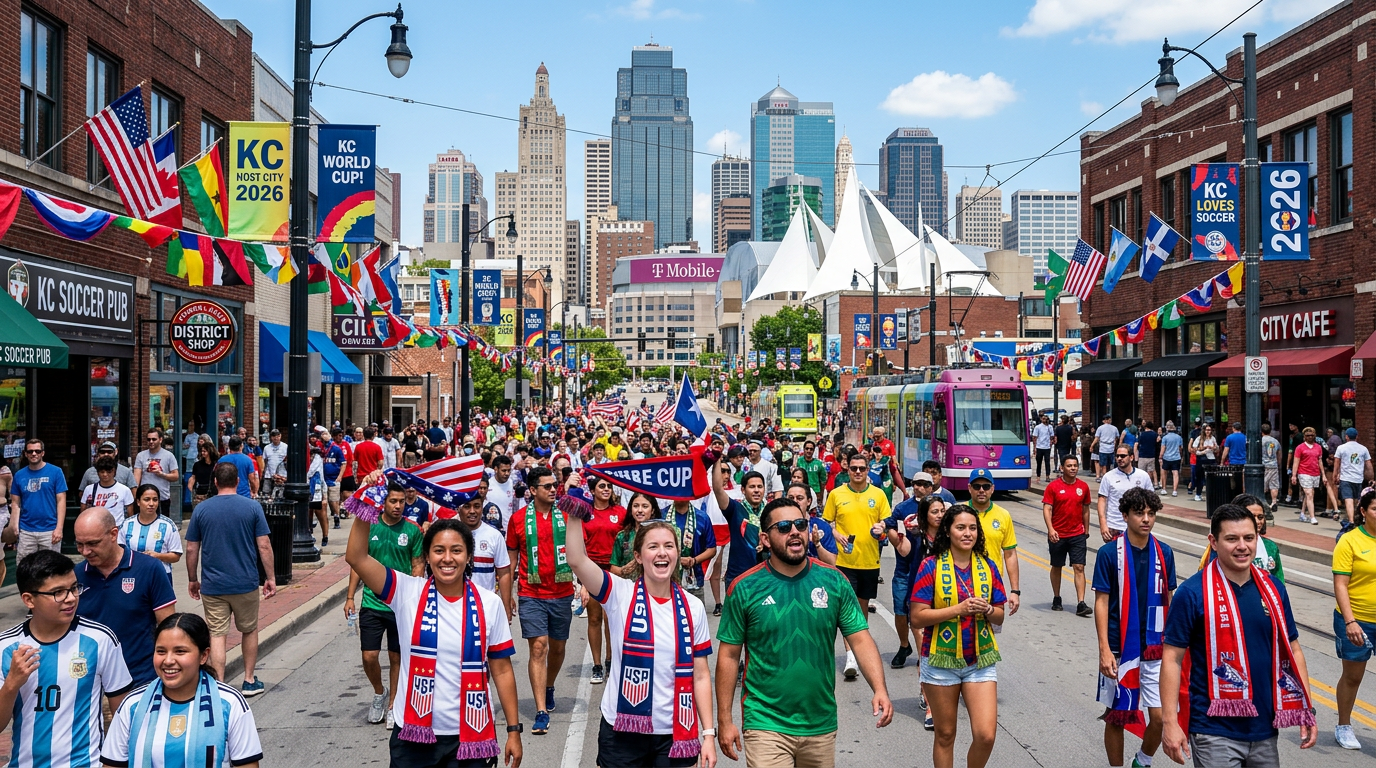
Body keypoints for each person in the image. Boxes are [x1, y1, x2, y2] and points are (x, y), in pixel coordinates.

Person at [716, 498, 893, 768]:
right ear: (764, 538)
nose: (794, 532)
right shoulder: (745, 588)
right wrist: (724, 720)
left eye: (800, 524)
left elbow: (860, 638)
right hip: (765, 720)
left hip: (820, 723)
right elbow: (729, 655)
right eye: (784, 527)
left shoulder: (833, 580)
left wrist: (879, 688)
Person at [346, 507, 522, 768]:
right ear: (427, 556)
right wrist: (365, 503)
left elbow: (502, 669)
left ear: (469, 556)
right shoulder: (405, 592)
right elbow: (357, 557)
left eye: (457, 550)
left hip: (469, 738)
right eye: (439, 550)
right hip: (414, 739)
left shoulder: (490, 603)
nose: (447, 559)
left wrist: (513, 730)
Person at [560, 494, 717, 768]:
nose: (661, 553)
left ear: (677, 554)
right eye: (653, 546)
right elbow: (576, 560)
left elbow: (701, 675)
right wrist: (575, 512)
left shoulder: (692, 607)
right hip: (623, 730)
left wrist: (708, 735)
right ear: (638, 555)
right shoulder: (619, 593)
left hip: (675, 732)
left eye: (669, 546)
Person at [1160, 504, 1316, 766]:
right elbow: (1172, 659)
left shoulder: (1274, 589)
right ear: (1214, 541)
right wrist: (1169, 722)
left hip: (1265, 729)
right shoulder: (1192, 592)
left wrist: (1306, 708)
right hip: (1213, 729)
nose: (1242, 546)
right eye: (1231, 539)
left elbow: (1293, 648)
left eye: (1249, 538)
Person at [908, 504, 1007, 768]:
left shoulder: (987, 566)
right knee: (945, 734)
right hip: (940, 661)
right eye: (960, 527)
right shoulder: (931, 566)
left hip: (980, 661)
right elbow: (917, 616)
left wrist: (987, 609)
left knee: (986, 735)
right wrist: (958, 610)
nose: (967, 533)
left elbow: (1000, 615)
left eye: (972, 528)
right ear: (948, 531)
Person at [101, 613, 264, 768]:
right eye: (161, 651)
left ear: (203, 655)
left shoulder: (230, 704)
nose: (168, 660)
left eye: (180, 651)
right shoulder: (132, 706)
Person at [1093, 488, 1176, 768]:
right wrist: (1105, 650)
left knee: (1160, 717)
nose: (1146, 519)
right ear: (1125, 515)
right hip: (1120, 647)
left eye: (1151, 514)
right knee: (1116, 715)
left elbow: (1171, 599)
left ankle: (1143, 760)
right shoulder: (1108, 553)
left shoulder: (1164, 553)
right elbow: (1101, 603)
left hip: (1156, 648)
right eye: (1139, 513)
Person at [184, 463, 276, 696]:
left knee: (217, 634)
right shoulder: (252, 508)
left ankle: (220, 683)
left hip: (213, 584)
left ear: (215, 482)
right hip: (245, 582)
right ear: (238, 482)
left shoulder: (202, 510)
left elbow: (192, 548)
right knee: (249, 629)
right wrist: (271, 577)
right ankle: (248, 679)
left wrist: (193, 578)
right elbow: (264, 545)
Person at [344, 479, 423, 729]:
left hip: (401, 605)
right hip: (372, 602)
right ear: (384, 502)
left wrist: (414, 594)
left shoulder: (413, 530)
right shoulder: (371, 525)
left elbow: (418, 564)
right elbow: (359, 563)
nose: (398, 506)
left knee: (397, 657)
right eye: (393, 501)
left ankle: (393, 705)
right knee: (369, 656)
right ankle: (380, 692)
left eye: (401, 501)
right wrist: (349, 597)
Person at [72, 507, 177, 687]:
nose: (85, 551)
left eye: (92, 543)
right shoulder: (75, 576)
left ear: (114, 534)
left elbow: (168, 627)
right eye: (79, 544)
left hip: (140, 679)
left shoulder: (149, 568)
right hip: (90, 681)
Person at [505, 466, 574, 735]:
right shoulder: (518, 519)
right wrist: (507, 592)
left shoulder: (567, 516)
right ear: (532, 491)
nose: (552, 489)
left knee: (557, 648)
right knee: (538, 648)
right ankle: (541, 710)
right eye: (546, 486)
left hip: (562, 592)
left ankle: (549, 684)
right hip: (530, 593)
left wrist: (583, 585)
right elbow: (511, 560)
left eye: (554, 484)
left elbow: (578, 553)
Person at [824, 452, 892, 680]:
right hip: (844, 561)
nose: (858, 472)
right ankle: (850, 656)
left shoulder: (879, 495)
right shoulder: (836, 494)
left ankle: (858, 646)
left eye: (862, 468)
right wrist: (837, 533)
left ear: (867, 470)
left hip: (870, 561)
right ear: (848, 470)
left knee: (862, 608)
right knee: (846, 607)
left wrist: (881, 529)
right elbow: (826, 523)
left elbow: (885, 521)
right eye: (854, 468)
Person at [887, 491, 946, 732]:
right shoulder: (915, 538)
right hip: (919, 601)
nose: (940, 516)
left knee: (942, 654)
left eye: (943, 511)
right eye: (935, 512)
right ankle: (932, 706)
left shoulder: (950, 538)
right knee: (927, 654)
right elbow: (900, 544)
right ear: (924, 516)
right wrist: (894, 531)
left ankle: (931, 691)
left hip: (946, 602)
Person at [1331, 489, 1376, 749]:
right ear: (1363, 512)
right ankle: (1344, 725)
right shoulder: (1349, 541)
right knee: (1353, 676)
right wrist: (1350, 621)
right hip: (1357, 620)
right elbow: (1340, 585)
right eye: (1374, 509)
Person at [884, 473, 939, 670]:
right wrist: (897, 539)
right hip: (905, 569)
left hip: (929, 572)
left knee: (924, 616)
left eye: (924, 485)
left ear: (931, 487)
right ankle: (904, 646)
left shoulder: (938, 507)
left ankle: (925, 653)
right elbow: (888, 526)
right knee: (900, 611)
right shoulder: (902, 508)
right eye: (916, 484)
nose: (919, 488)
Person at [581, 476, 626, 684]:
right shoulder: (585, 514)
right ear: (592, 490)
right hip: (592, 569)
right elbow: (580, 545)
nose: (606, 489)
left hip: (614, 570)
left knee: (612, 619)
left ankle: (611, 660)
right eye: (602, 486)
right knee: (594, 618)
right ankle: (597, 665)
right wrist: (581, 580)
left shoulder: (620, 513)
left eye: (609, 486)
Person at [965, 469, 1021, 622]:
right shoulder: (959, 512)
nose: (981, 490)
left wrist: (1015, 591)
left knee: (989, 633)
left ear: (992, 488)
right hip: (962, 582)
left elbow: (1010, 554)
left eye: (986, 486)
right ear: (969, 488)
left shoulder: (1003, 515)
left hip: (991, 584)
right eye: (977, 487)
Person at [1043, 456, 1093, 617]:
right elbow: (1047, 509)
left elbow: (1086, 509)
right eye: (1069, 466)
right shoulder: (1053, 487)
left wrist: (1086, 528)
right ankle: (1057, 597)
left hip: (1077, 534)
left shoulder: (1083, 487)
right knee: (1057, 566)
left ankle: (1081, 602)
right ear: (1062, 468)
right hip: (1058, 534)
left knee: (1079, 567)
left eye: (1075, 465)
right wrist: (1051, 529)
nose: (1073, 468)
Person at [7, 438, 66, 557]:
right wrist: (14, 526)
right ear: (25, 454)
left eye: (37, 451)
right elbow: (15, 503)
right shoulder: (19, 475)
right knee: (26, 569)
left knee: (51, 570)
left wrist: (59, 528)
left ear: (43, 453)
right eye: (30, 451)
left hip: (50, 529)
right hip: (26, 530)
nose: (34, 454)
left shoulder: (56, 472)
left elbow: (61, 501)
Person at [122, 484, 184, 582]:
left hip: (160, 576)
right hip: (132, 576)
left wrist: (158, 556)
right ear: (138, 502)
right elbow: (118, 552)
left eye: (155, 500)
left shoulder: (168, 525)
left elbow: (176, 556)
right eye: (146, 499)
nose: (151, 503)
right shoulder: (126, 525)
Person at [667, 493, 717, 601]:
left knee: (695, 616)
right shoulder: (662, 516)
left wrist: (693, 560)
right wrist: (677, 560)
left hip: (694, 579)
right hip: (666, 579)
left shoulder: (702, 518)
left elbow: (712, 549)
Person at [1098, 449, 1154, 542]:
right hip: (1114, 527)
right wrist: (1103, 524)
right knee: (1115, 556)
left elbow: (1151, 500)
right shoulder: (1108, 477)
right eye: (1117, 456)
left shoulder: (1143, 476)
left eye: (1123, 456)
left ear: (1131, 457)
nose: (1119, 458)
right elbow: (1102, 500)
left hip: (1137, 526)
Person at [784, 482, 837, 566]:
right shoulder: (780, 526)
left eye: (799, 498)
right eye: (791, 498)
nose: (794, 501)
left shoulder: (822, 526)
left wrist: (817, 544)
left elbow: (831, 562)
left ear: (809, 501)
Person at [134, 428, 180, 516]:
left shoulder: (168, 456)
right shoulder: (141, 456)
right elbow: (136, 479)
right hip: (145, 498)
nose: (151, 442)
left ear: (160, 440)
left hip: (162, 498)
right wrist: (136, 496)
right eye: (148, 439)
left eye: (154, 439)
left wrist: (162, 474)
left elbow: (176, 476)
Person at [1334, 427, 1372, 527]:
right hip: (1358, 478)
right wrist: (1371, 478)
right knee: (1356, 500)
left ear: (1346, 436)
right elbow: (1368, 464)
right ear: (1357, 436)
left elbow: (1337, 463)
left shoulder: (1341, 448)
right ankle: (1355, 519)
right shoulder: (1363, 449)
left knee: (1348, 499)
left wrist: (1335, 476)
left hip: (1345, 478)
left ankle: (1351, 521)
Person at [80, 455, 135, 522]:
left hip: (118, 527)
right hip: (96, 526)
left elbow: (130, 514)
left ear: (114, 472)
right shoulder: (89, 489)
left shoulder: (124, 490)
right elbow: (83, 511)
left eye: (109, 472)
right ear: (98, 472)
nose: (105, 474)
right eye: (102, 472)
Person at [1290, 426, 1326, 525]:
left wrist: (1323, 475)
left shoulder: (1318, 447)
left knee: (1310, 494)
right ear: (1304, 437)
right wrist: (1294, 475)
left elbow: (1320, 461)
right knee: (1309, 493)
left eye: (1312, 435)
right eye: (1307, 435)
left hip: (1315, 473)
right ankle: (1312, 517)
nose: (1310, 437)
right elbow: (1296, 462)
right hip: (1304, 472)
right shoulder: (1300, 447)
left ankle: (1302, 513)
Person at [1188, 423, 1218, 502]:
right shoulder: (1199, 438)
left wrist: (1214, 448)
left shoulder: (1213, 438)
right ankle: (1198, 494)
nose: (1208, 432)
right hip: (1201, 459)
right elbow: (1194, 449)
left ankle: (1212, 494)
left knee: (1212, 477)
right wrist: (1203, 449)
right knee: (1200, 477)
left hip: (1211, 458)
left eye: (1210, 430)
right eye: (1207, 430)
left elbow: (1217, 449)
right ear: (1204, 430)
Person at [261, 429, 289, 499]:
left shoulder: (285, 446)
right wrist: (264, 473)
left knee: (280, 495)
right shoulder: (266, 448)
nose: (276, 438)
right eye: (273, 436)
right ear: (271, 437)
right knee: (266, 493)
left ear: (280, 436)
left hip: (282, 476)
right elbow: (265, 461)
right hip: (269, 474)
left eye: (277, 436)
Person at [190, 438, 219, 507]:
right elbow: (193, 477)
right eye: (202, 451)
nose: (202, 453)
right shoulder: (197, 465)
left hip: (213, 492)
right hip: (200, 492)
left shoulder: (216, 465)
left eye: (204, 451)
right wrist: (191, 489)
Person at [1159, 422, 1183, 498]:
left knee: (1164, 473)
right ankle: (1174, 491)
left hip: (1166, 457)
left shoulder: (1165, 438)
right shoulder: (1179, 437)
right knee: (1175, 473)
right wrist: (1180, 455)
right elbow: (1180, 448)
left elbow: (1163, 448)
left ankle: (1164, 489)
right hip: (1176, 457)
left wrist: (1160, 456)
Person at [1092, 415, 1120, 480]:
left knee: (1103, 465)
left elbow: (1096, 438)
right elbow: (1117, 437)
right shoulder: (1115, 428)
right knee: (1111, 464)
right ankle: (1111, 477)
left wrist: (1092, 445)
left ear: (1104, 420)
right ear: (1108, 420)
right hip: (1111, 447)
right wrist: (1114, 442)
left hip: (1103, 448)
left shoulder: (1100, 428)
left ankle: (1104, 477)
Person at [1136, 421, 1159, 487]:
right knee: (1150, 471)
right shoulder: (1155, 434)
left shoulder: (1142, 434)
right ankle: (1149, 484)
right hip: (1151, 455)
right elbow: (1157, 441)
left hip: (1142, 455)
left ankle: (1142, 485)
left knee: (1141, 471)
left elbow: (1138, 443)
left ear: (1146, 427)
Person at [1032, 414, 1055, 482]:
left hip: (1047, 447)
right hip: (1039, 447)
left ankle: (1047, 476)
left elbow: (1052, 436)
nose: (1045, 420)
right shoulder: (1038, 427)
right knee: (1039, 462)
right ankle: (1038, 476)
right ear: (1041, 419)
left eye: (1047, 419)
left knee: (1047, 462)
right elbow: (1034, 437)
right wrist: (1034, 447)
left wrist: (1051, 442)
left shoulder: (1050, 427)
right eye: (1044, 419)